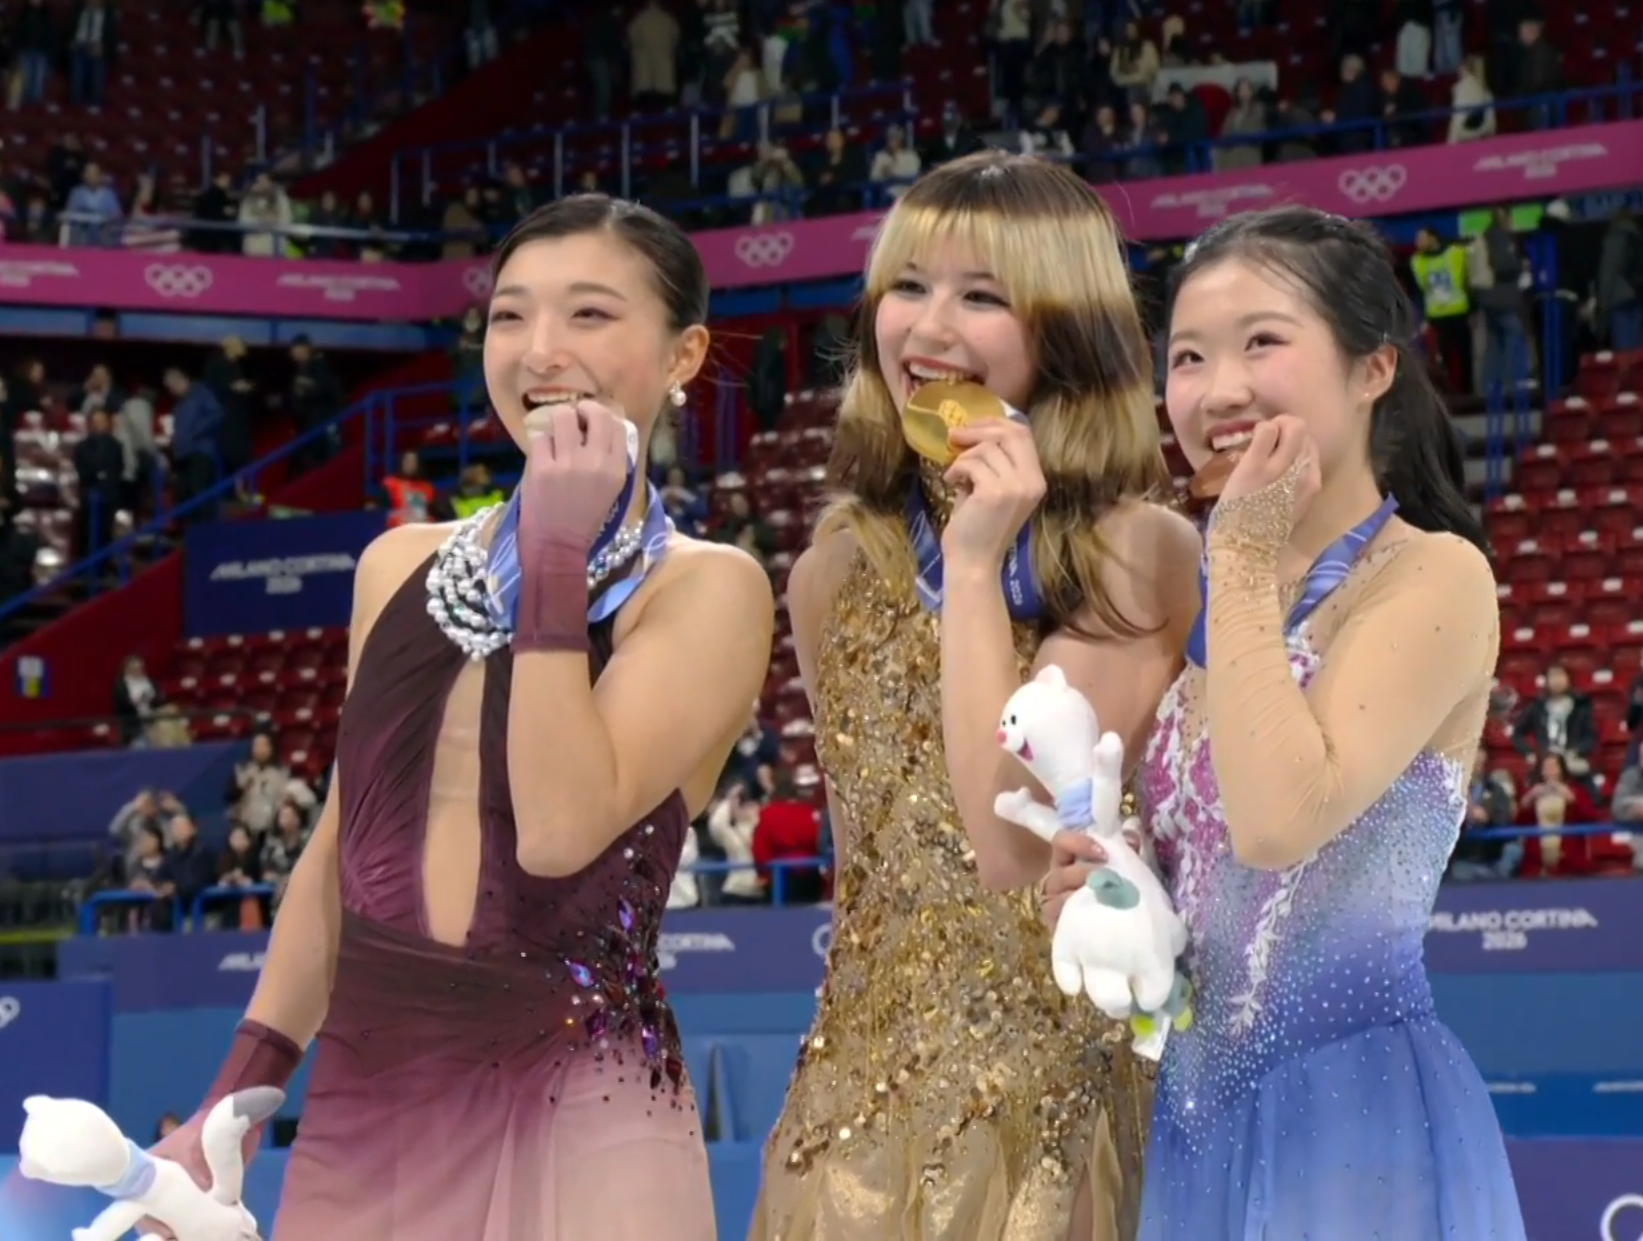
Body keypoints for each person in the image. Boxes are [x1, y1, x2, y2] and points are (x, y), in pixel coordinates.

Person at [143, 195, 775, 1240]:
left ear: (684, 354)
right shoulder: (393, 563)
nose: (539, 349)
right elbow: (337, 854)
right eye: (509, 315)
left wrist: (557, 552)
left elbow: (560, 826)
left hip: (584, 1104)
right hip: (370, 1103)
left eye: (588, 314)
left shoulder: (708, 588)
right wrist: (235, 1099)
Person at [1041, 206, 1527, 1239]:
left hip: (1354, 1116)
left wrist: (1237, 553)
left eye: (1260, 341)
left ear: (1372, 368)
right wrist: (1115, 897)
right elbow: (1213, 886)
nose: (1217, 390)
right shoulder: (1222, 590)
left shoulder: (1433, 574)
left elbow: (1277, 821)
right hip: (1192, 1115)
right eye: (1186, 357)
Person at [751, 150, 1202, 1240]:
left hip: (1058, 1106)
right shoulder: (829, 573)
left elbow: (1003, 835)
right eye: (906, 286)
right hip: (851, 1108)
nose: (928, 326)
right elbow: (864, 876)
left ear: (1065, 329)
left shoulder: (1137, 552)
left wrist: (969, 562)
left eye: (982, 296)